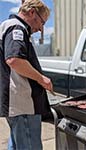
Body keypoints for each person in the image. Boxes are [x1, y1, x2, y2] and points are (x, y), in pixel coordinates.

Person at [0, 0, 52, 149]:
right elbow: (14, 60)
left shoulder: (9, 27)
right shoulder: (16, 28)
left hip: (16, 105)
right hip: (22, 104)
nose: (41, 29)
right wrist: (41, 78)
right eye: (42, 22)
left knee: (16, 144)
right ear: (32, 13)